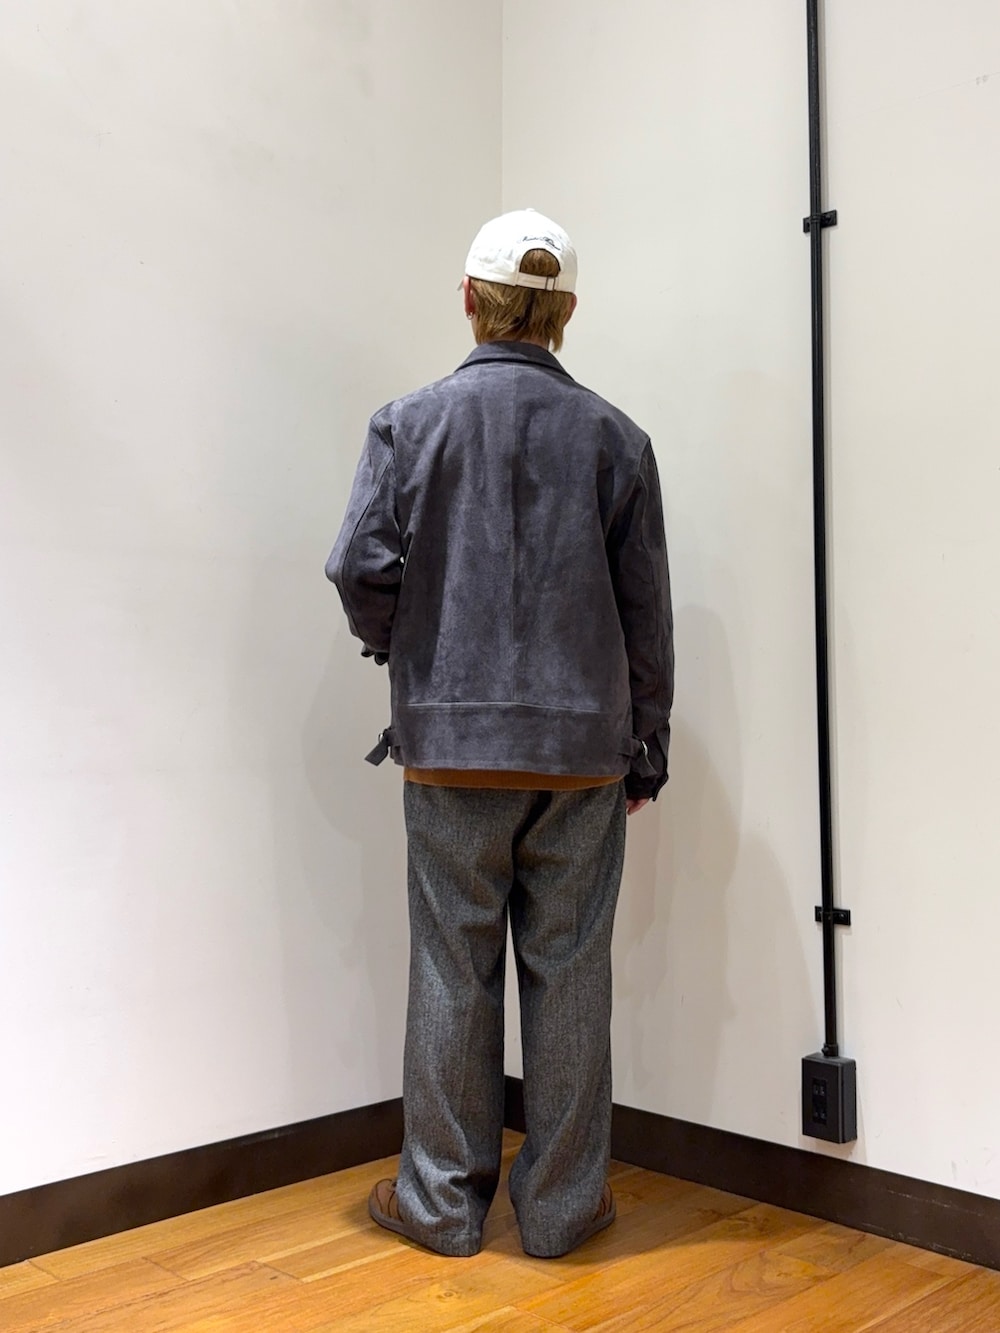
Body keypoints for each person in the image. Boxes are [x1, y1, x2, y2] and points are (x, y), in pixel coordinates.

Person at [326, 208, 673, 1259]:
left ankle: (440, 1204)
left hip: (450, 750)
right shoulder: (616, 439)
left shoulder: (408, 424)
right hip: (581, 758)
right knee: (572, 973)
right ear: (566, 313)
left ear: (471, 299)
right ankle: (563, 1211)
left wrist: (406, 651)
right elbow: (645, 613)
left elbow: (357, 566)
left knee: (451, 968)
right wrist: (647, 748)